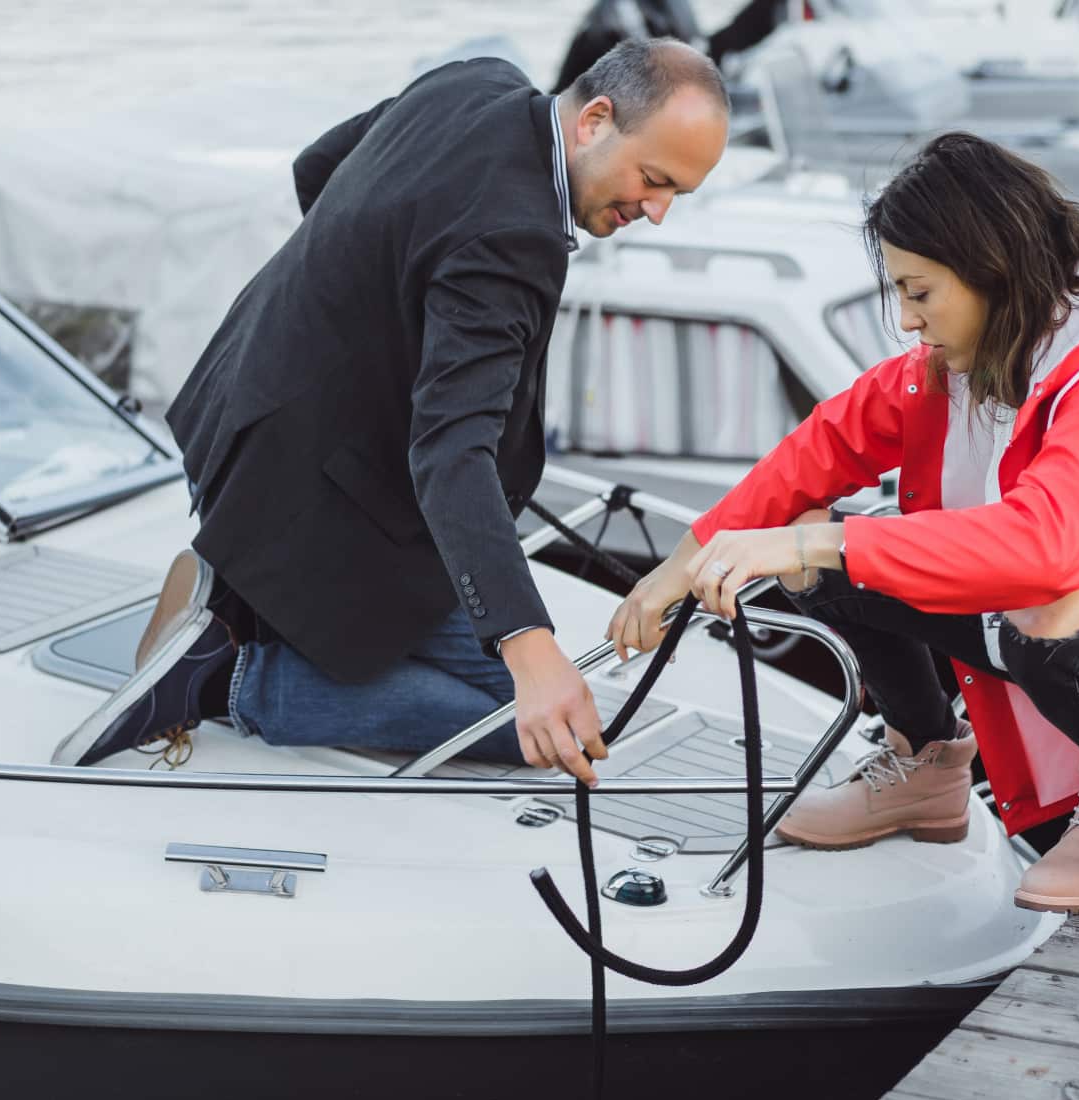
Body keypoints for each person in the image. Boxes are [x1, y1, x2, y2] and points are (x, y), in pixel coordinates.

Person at [607, 132, 1079, 914]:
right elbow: (828, 441)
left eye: (920, 291)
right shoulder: (993, 348)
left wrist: (809, 538)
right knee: (817, 545)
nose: (906, 320)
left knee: (1031, 594)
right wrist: (683, 563)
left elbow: (1045, 548)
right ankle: (926, 762)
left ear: (991, 268)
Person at [52, 41, 730, 783]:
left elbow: (317, 167)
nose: (657, 212)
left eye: (678, 195)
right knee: (543, 728)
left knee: (539, 701)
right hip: (312, 502)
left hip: (238, 409)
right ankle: (245, 679)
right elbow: (450, 450)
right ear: (595, 121)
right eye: (654, 179)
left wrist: (368, 326)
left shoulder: (477, 83)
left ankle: (238, 602)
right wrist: (528, 641)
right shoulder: (515, 235)